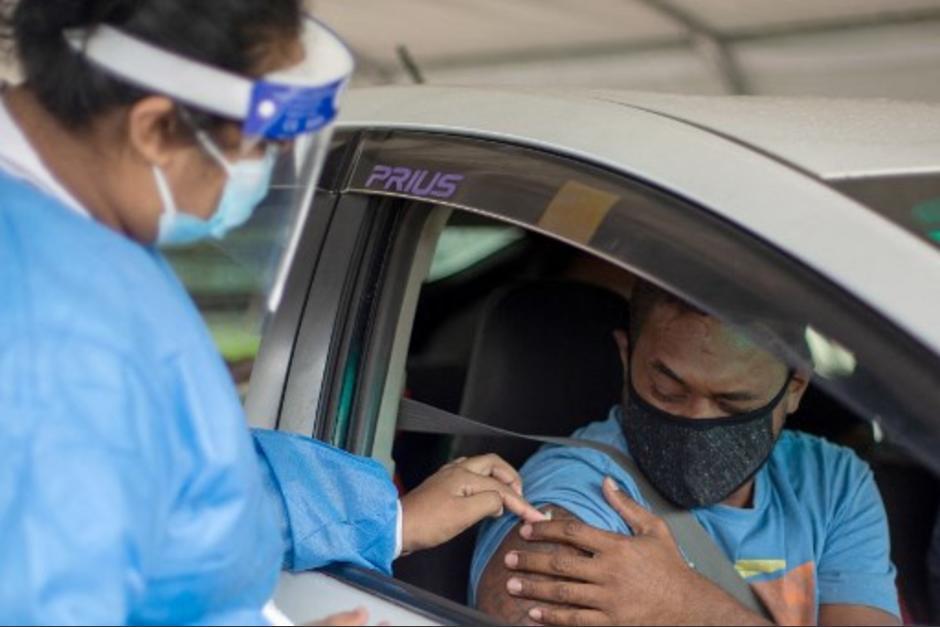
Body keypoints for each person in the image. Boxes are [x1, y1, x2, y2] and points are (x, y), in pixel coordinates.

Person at [0, 1, 544, 624]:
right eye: (257, 148)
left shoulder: (81, 231)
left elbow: (175, 481)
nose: (259, 177)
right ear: (153, 129)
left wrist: (384, 517)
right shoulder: (51, 327)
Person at [471, 280, 900, 626]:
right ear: (627, 357)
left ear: (794, 388)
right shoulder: (577, 489)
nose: (697, 421)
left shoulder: (833, 484)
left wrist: (690, 609)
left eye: (733, 404)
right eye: (668, 391)